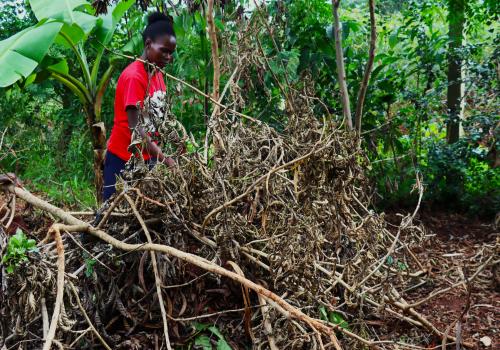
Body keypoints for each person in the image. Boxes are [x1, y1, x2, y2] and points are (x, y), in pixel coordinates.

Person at [103, 12, 176, 201]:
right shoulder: (134, 77)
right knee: (109, 215)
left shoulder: (157, 73)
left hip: (147, 159)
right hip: (123, 159)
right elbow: (136, 128)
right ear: (148, 44)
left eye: (171, 53)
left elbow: (159, 117)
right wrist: (165, 158)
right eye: (164, 51)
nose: (168, 57)